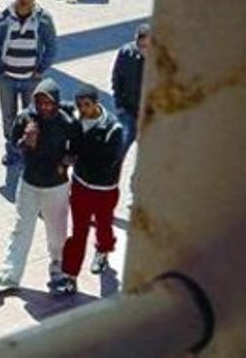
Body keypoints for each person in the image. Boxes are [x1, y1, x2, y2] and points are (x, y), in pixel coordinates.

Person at [0, 78, 80, 292]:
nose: (45, 107)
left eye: (49, 103)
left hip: (56, 186)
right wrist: (26, 141)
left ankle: (59, 271)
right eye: (40, 102)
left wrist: (65, 162)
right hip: (29, 183)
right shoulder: (26, 118)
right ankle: (10, 274)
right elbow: (14, 143)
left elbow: (77, 148)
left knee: (57, 232)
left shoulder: (66, 122)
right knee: (21, 228)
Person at [57, 84, 124, 295]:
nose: (83, 109)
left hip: (104, 189)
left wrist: (76, 157)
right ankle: (69, 275)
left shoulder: (114, 129)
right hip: (80, 186)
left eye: (87, 105)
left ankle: (103, 250)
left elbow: (107, 162)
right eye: (79, 105)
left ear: (97, 103)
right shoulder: (76, 120)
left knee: (103, 225)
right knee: (78, 232)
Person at [0, 0, 58, 166]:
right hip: (7, 79)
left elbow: (51, 46)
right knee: (9, 117)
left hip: (31, 80)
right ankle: (12, 152)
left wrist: (41, 69)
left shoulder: (43, 19)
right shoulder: (2, 19)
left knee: (32, 116)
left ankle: (29, 152)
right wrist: (0, 70)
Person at [112, 23, 151, 156]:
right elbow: (117, 79)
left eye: (146, 47)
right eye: (140, 46)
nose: (143, 50)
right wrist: (119, 105)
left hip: (150, 115)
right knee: (118, 150)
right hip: (129, 111)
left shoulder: (159, 60)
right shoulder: (126, 53)